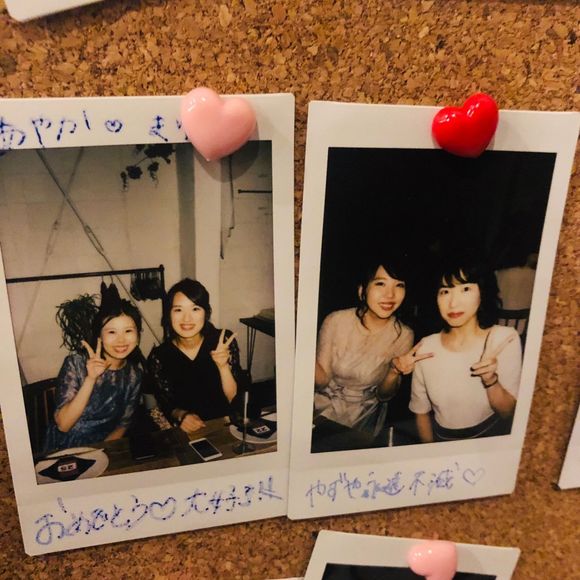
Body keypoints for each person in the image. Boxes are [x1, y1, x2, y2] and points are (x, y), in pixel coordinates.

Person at [409, 258, 522, 443]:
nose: (453, 303)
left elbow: (507, 413)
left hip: (489, 441)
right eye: (445, 291)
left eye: (465, 289)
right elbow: (420, 412)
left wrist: (490, 380)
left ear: (482, 292)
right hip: (442, 442)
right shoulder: (426, 347)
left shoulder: (504, 338)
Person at [314, 257, 426, 438]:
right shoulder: (336, 320)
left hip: (363, 416)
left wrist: (394, 371)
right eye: (380, 284)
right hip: (322, 406)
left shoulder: (404, 334)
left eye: (399, 285)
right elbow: (322, 381)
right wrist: (302, 350)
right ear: (362, 291)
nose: (390, 295)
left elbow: (384, 396)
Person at [44, 284, 143, 451]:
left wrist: (101, 450)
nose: (121, 340)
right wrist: (91, 378)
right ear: (100, 337)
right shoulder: (76, 363)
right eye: (112, 332)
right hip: (65, 446)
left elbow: (123, 424)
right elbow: (63, 425)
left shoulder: (134, 374)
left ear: (138, 335)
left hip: (104, 446)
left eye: (128, 331)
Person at [147, 278, 243, 435]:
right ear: (169, 314)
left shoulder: (222, 342)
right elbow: (166, 404)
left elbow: (234, 399)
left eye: (195, 309)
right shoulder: (159, 356)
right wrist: (182, 415)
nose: (187, 319)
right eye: (178, 310)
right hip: (186, 430)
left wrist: (223, 366)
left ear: (206, 313)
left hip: (224, 425)